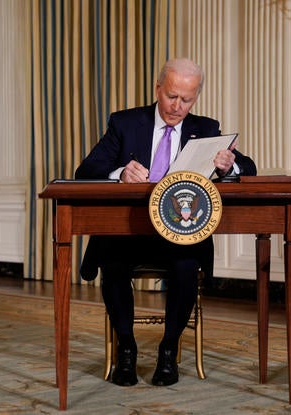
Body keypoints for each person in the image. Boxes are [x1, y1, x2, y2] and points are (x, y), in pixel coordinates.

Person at [75, 58, 257, 387]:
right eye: (171, 96)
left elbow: (249, 168)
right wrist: (120, 174)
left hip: (180, 233)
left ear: (196, 97)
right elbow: (85, 171)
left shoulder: (206, 128)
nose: (177, 106)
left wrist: (229, 166)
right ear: (158, 88)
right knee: (112, 264)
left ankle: (168, 350)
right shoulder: (125, 123)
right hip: (129, 231)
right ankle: (126, 349)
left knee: (186, 266)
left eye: (186, 100)